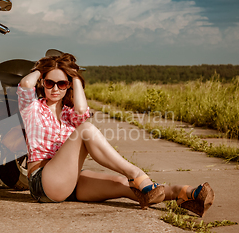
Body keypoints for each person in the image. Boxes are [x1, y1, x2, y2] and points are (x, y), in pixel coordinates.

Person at [17, 49, 214, 217]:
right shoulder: (32, 108)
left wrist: (74, 76)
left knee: (125, 186)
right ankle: (136, 173)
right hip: (42, 181)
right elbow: (26, 84)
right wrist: (44, 68)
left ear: (68, 85)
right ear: (43, 82)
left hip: (70, 180)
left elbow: (81, 109)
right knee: (86, 130)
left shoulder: (70, 114)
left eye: (62, 84)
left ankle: (185, 194)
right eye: (50, 83)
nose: (55, 89)